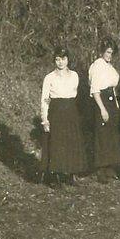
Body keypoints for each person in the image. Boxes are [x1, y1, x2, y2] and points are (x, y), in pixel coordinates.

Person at [39, 47, 86, 187]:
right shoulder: (49, 77)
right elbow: (45, 99)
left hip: (70, 111)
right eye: (57, 59)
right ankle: (56, 176)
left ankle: (71, 174)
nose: (60, 62)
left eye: (63, 59)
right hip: (56, 112)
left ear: (68, 60)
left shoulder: (75, 76)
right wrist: (45, 118)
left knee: (71, 141)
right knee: (57, 143)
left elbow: (75, 94)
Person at [88, 38, 120, 183]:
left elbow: (113, 87)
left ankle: (109, 166)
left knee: (111, 134)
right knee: (102, 135)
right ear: (102, 51)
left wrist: (115, 104)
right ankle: (100, 169)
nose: (110, 55)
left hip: (111, 100)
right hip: (101, 101)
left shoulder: (109, 66)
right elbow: (95, 90)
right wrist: (102, 109)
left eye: (112, 52)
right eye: (108, 52)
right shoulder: (97, 66)